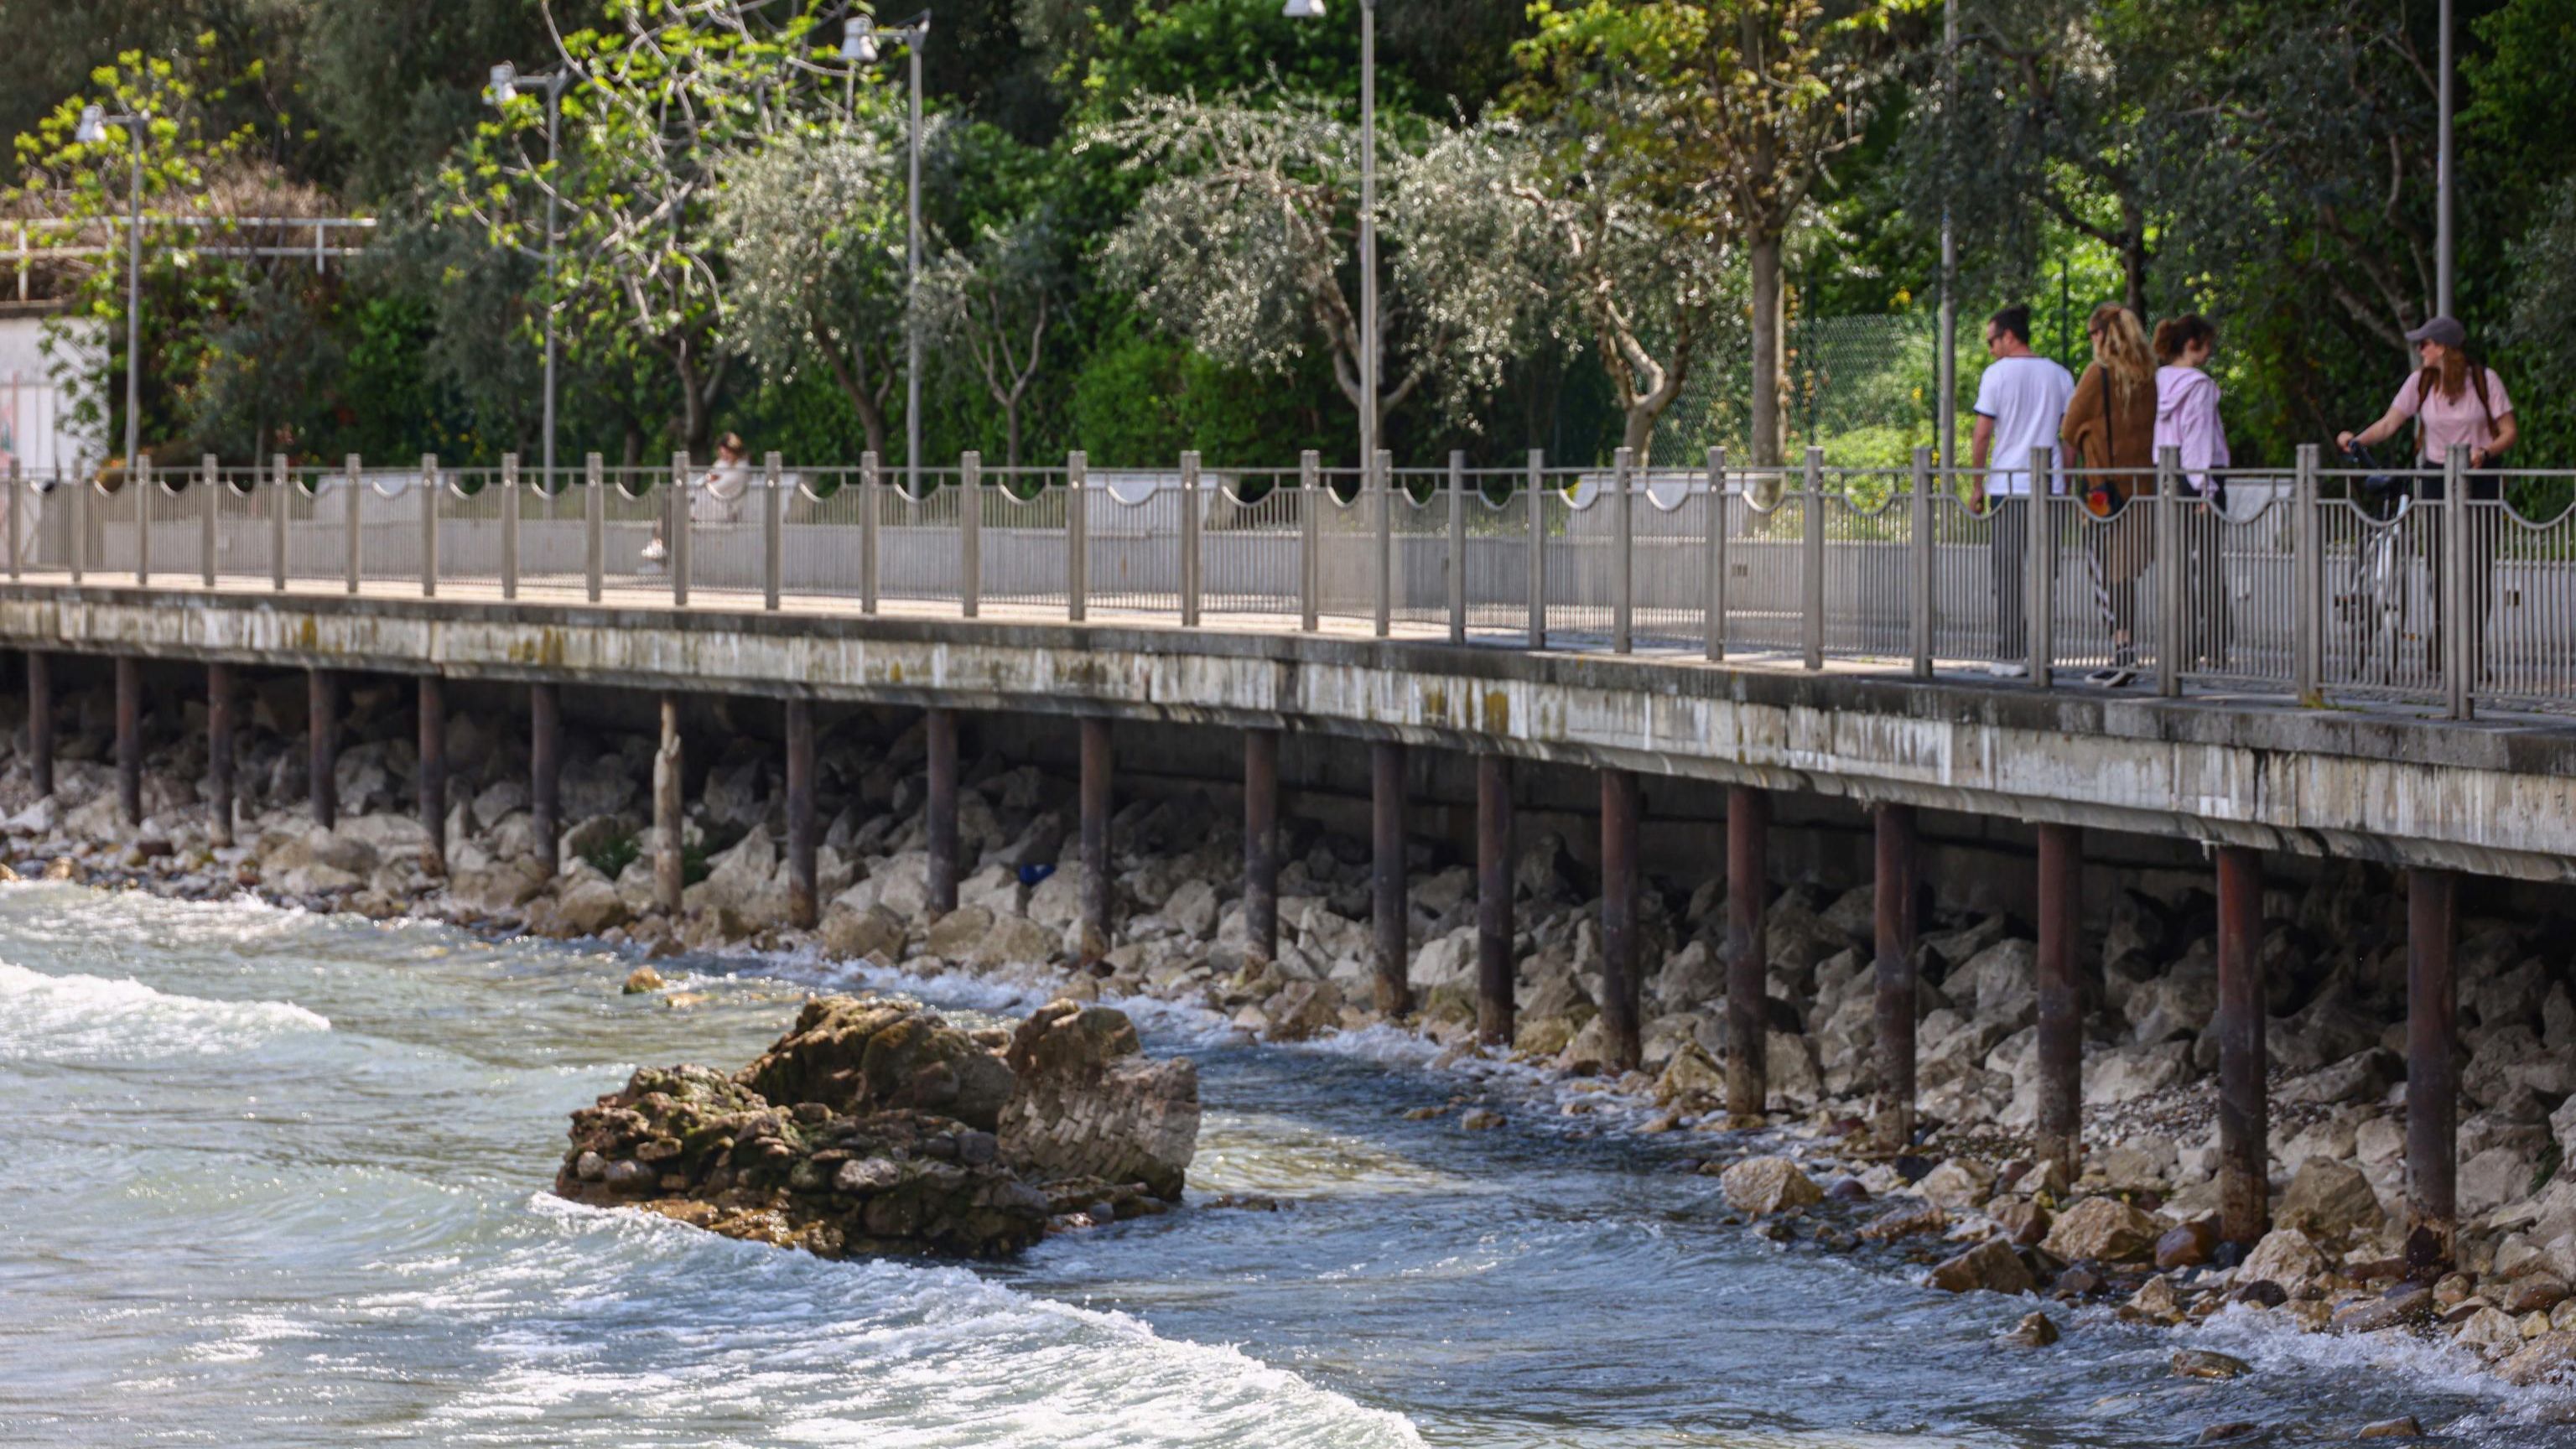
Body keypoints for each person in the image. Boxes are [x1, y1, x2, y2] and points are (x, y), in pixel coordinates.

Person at [2336, 314, 2516, 681]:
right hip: (2436, 478)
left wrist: (2485, 451)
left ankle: (2473, 654)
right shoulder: (2419, 383)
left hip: (2479, 476)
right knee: (2440, 566)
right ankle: (2444, 644)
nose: (2420, 350)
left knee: (2477, 568)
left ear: (2445, 347)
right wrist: (2356, 439)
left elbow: (2509, 431)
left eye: (2426, 344)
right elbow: (2390, 423)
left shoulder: (2484, 380)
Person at [1969, 304, 2075, 677]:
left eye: (1991, 341)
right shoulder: (2061, 376)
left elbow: (1982, 433)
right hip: (2050, 487)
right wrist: (2068, 479)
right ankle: (2042, 652)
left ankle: (2011, 654)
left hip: (2008, 487)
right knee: (2046, 571)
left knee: (2009, 570)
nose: (1990, 348)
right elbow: (2070, 436)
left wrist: (1977, 484)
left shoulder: (1995, 376)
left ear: (2009, 336)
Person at [2061, 303, 2158, 687]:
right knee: (2125, 573)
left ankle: (2122, 652)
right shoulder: (2149, 378)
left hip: (2103, 493)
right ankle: (2125, 652)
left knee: (2103, 571)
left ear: (2104, 334)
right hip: (2143, 487)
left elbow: (2069, 429)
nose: (2091, 341)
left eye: (2092, 333)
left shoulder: (2096, 375)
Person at [2153, 314, 2231, 671]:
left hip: (2166, 475)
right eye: (2207, 344)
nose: (2210, 351)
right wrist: (2205, 488)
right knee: (2210, 562)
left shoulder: (2161, 381)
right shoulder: (2198, 385)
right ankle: (2214, 644)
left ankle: (2179, 645)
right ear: (2193, 344)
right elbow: (2198, 435)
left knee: (2177, 562)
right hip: (2200, 476)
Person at [642, 433, 752, 567]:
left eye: (727, 454)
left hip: (722, 510)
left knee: (671, 511)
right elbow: (703, 482)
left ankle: (661, 554)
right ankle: (658, 548)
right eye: (722, 454)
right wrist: (708, 479)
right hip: (706, 504)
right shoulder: (722, 464)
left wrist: (709, 480)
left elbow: (716, 488)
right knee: (668, 506)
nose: (724, 457)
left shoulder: (740, 468)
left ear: (735, 451)